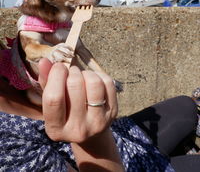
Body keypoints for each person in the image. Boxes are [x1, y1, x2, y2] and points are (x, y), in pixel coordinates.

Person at [0, 42, 199, 172]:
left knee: (187, 106)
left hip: (124, 135)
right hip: (120, 164)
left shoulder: (11, 60)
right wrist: (92, 139)